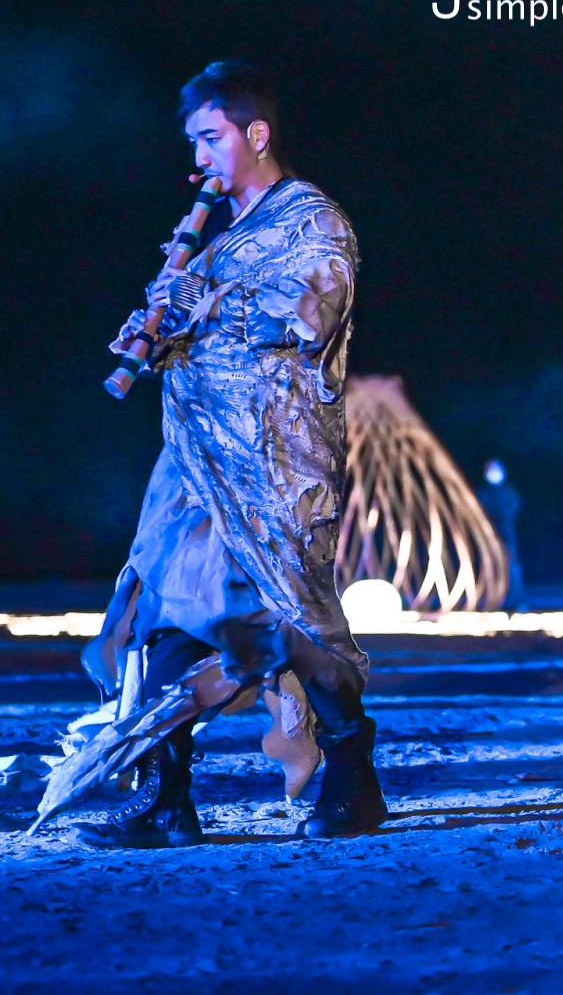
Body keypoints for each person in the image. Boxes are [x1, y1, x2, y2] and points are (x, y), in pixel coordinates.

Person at [71, 61, 383, 849]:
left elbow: (309, 316)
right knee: (160, 618)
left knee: (295, 621)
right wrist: (160, 326)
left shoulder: (312, 222)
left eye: (212, 138)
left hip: (274, 469)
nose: (201, 157)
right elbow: (196, 342)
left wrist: (204, 306)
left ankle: (352, 774)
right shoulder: (208, 248)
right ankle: (167, 796)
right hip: (195, 471)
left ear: (256, 134)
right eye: (194, 142)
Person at [477, 459, 527, 611]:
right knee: (491, 567)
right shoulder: (483, 493)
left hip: (506, 535)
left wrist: (501, 517)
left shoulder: (508, 492)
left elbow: (512, 509)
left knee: (511, 568)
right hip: (489, 536)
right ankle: (494, 600)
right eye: (490, 469)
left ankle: (516, 601)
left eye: (496, 469)